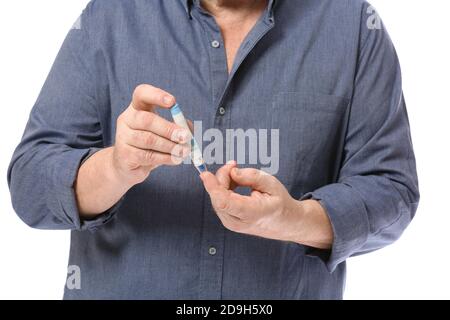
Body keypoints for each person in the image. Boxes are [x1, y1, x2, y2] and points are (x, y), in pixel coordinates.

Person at [8, 0, 419, 299]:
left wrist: (294, 218)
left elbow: (392, 191)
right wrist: (115, 168)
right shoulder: (108, 19)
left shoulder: (352, 27)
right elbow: (29, 187)